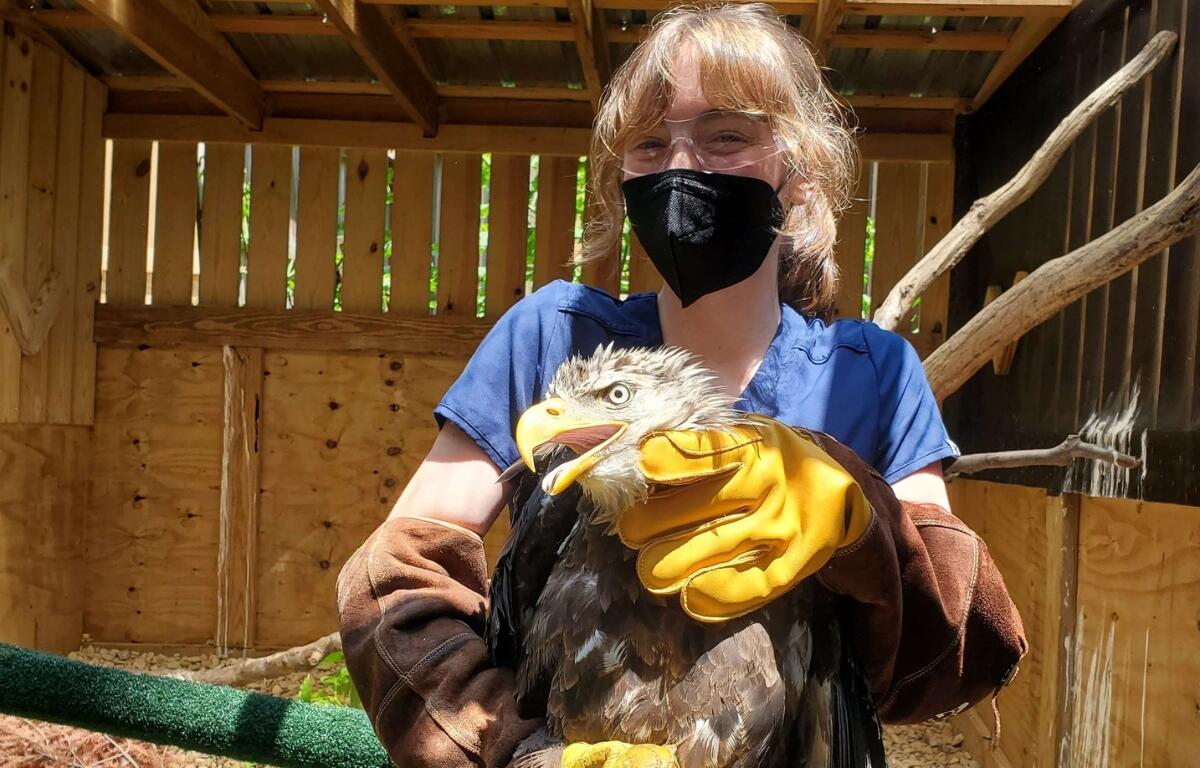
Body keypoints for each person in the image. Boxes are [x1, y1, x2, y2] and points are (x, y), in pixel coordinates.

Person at [335, 5, 1026, 768]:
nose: (681, 166)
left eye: (727, 135)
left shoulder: (875, 375)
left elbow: (949, 650)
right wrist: (513, 752)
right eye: (649, 143)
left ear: (798, 167)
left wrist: (864, 526)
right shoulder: (553, 337)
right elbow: (394, 588)